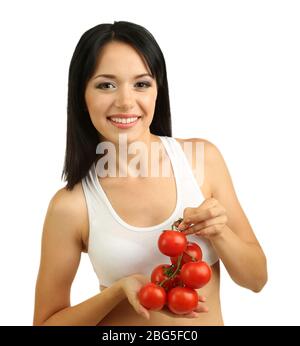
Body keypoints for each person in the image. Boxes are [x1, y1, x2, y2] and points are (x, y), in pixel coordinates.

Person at [33, 21, 267, 326]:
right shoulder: (71, 206)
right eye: (106, 84)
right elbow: (45, 323)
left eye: (141, 83)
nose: (126, 101)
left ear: (158, 90)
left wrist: (219, 232)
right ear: (81, 95)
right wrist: (117, 291)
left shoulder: (202, 161)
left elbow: (256, 279)